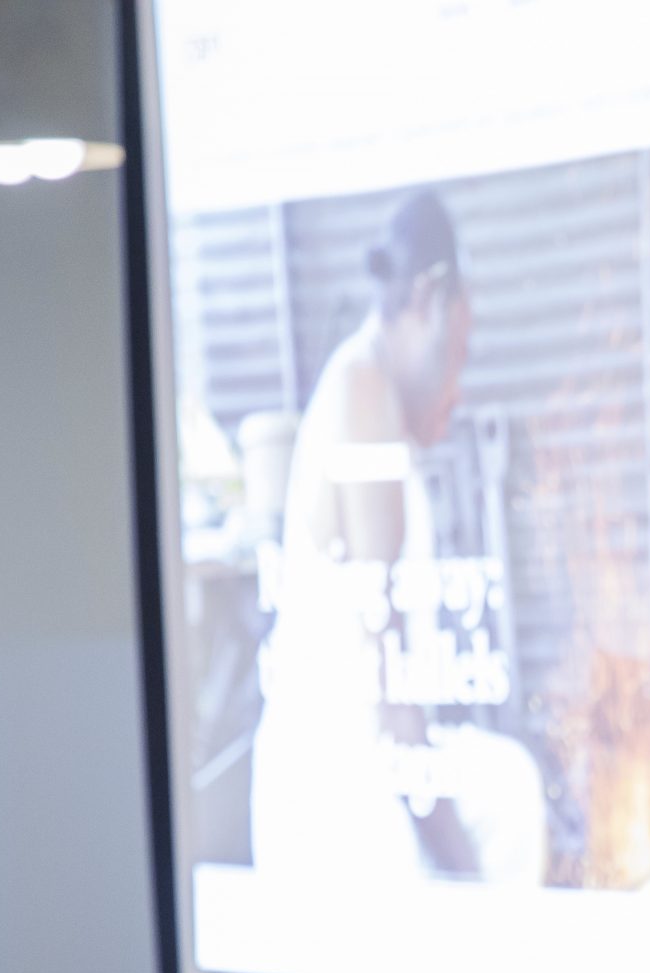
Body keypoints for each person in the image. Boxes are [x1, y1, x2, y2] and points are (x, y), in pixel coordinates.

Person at [252, 188, 545, 886]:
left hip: (363, 766)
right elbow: (389, 693)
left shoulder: (370, 391)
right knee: (486, 834)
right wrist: (465, 871)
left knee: (508, 787)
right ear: (425, 303)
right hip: (334, 795)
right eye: (459, 353)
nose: (458, 384)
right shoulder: (361, 395)